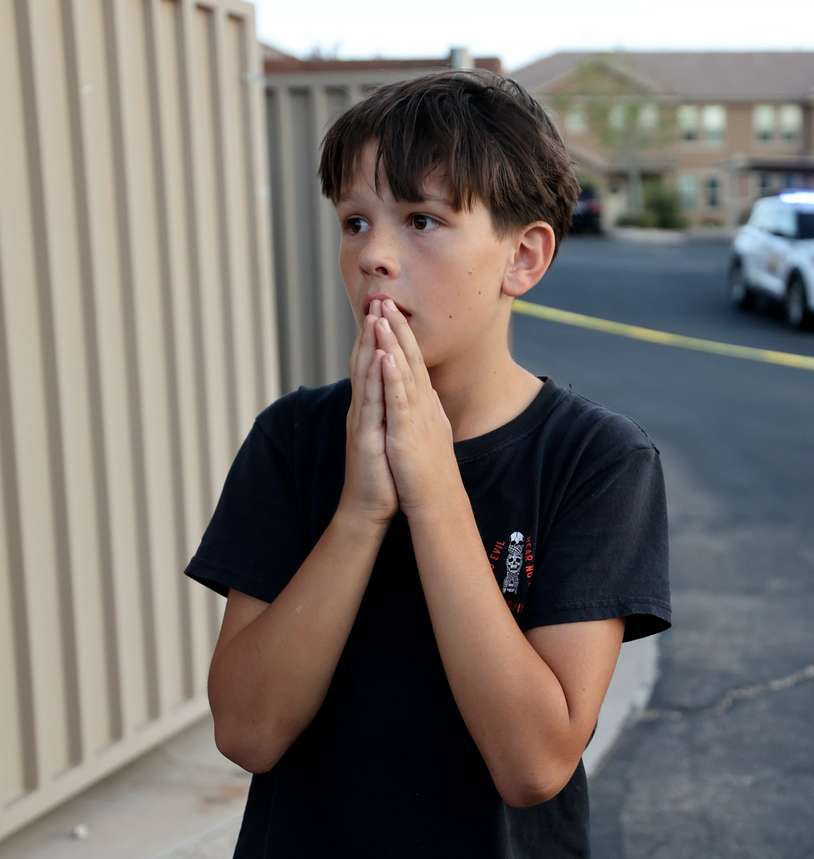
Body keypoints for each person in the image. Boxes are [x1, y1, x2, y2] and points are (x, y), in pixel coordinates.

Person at [183, 68, 671, 857]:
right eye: (353, 221)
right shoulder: (294, 441)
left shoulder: (596, 461)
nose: (374, 253)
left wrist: (435, 489)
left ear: (524, 257)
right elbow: (247, 731)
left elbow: (534, 761)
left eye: (421, 219)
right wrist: (361, 509)